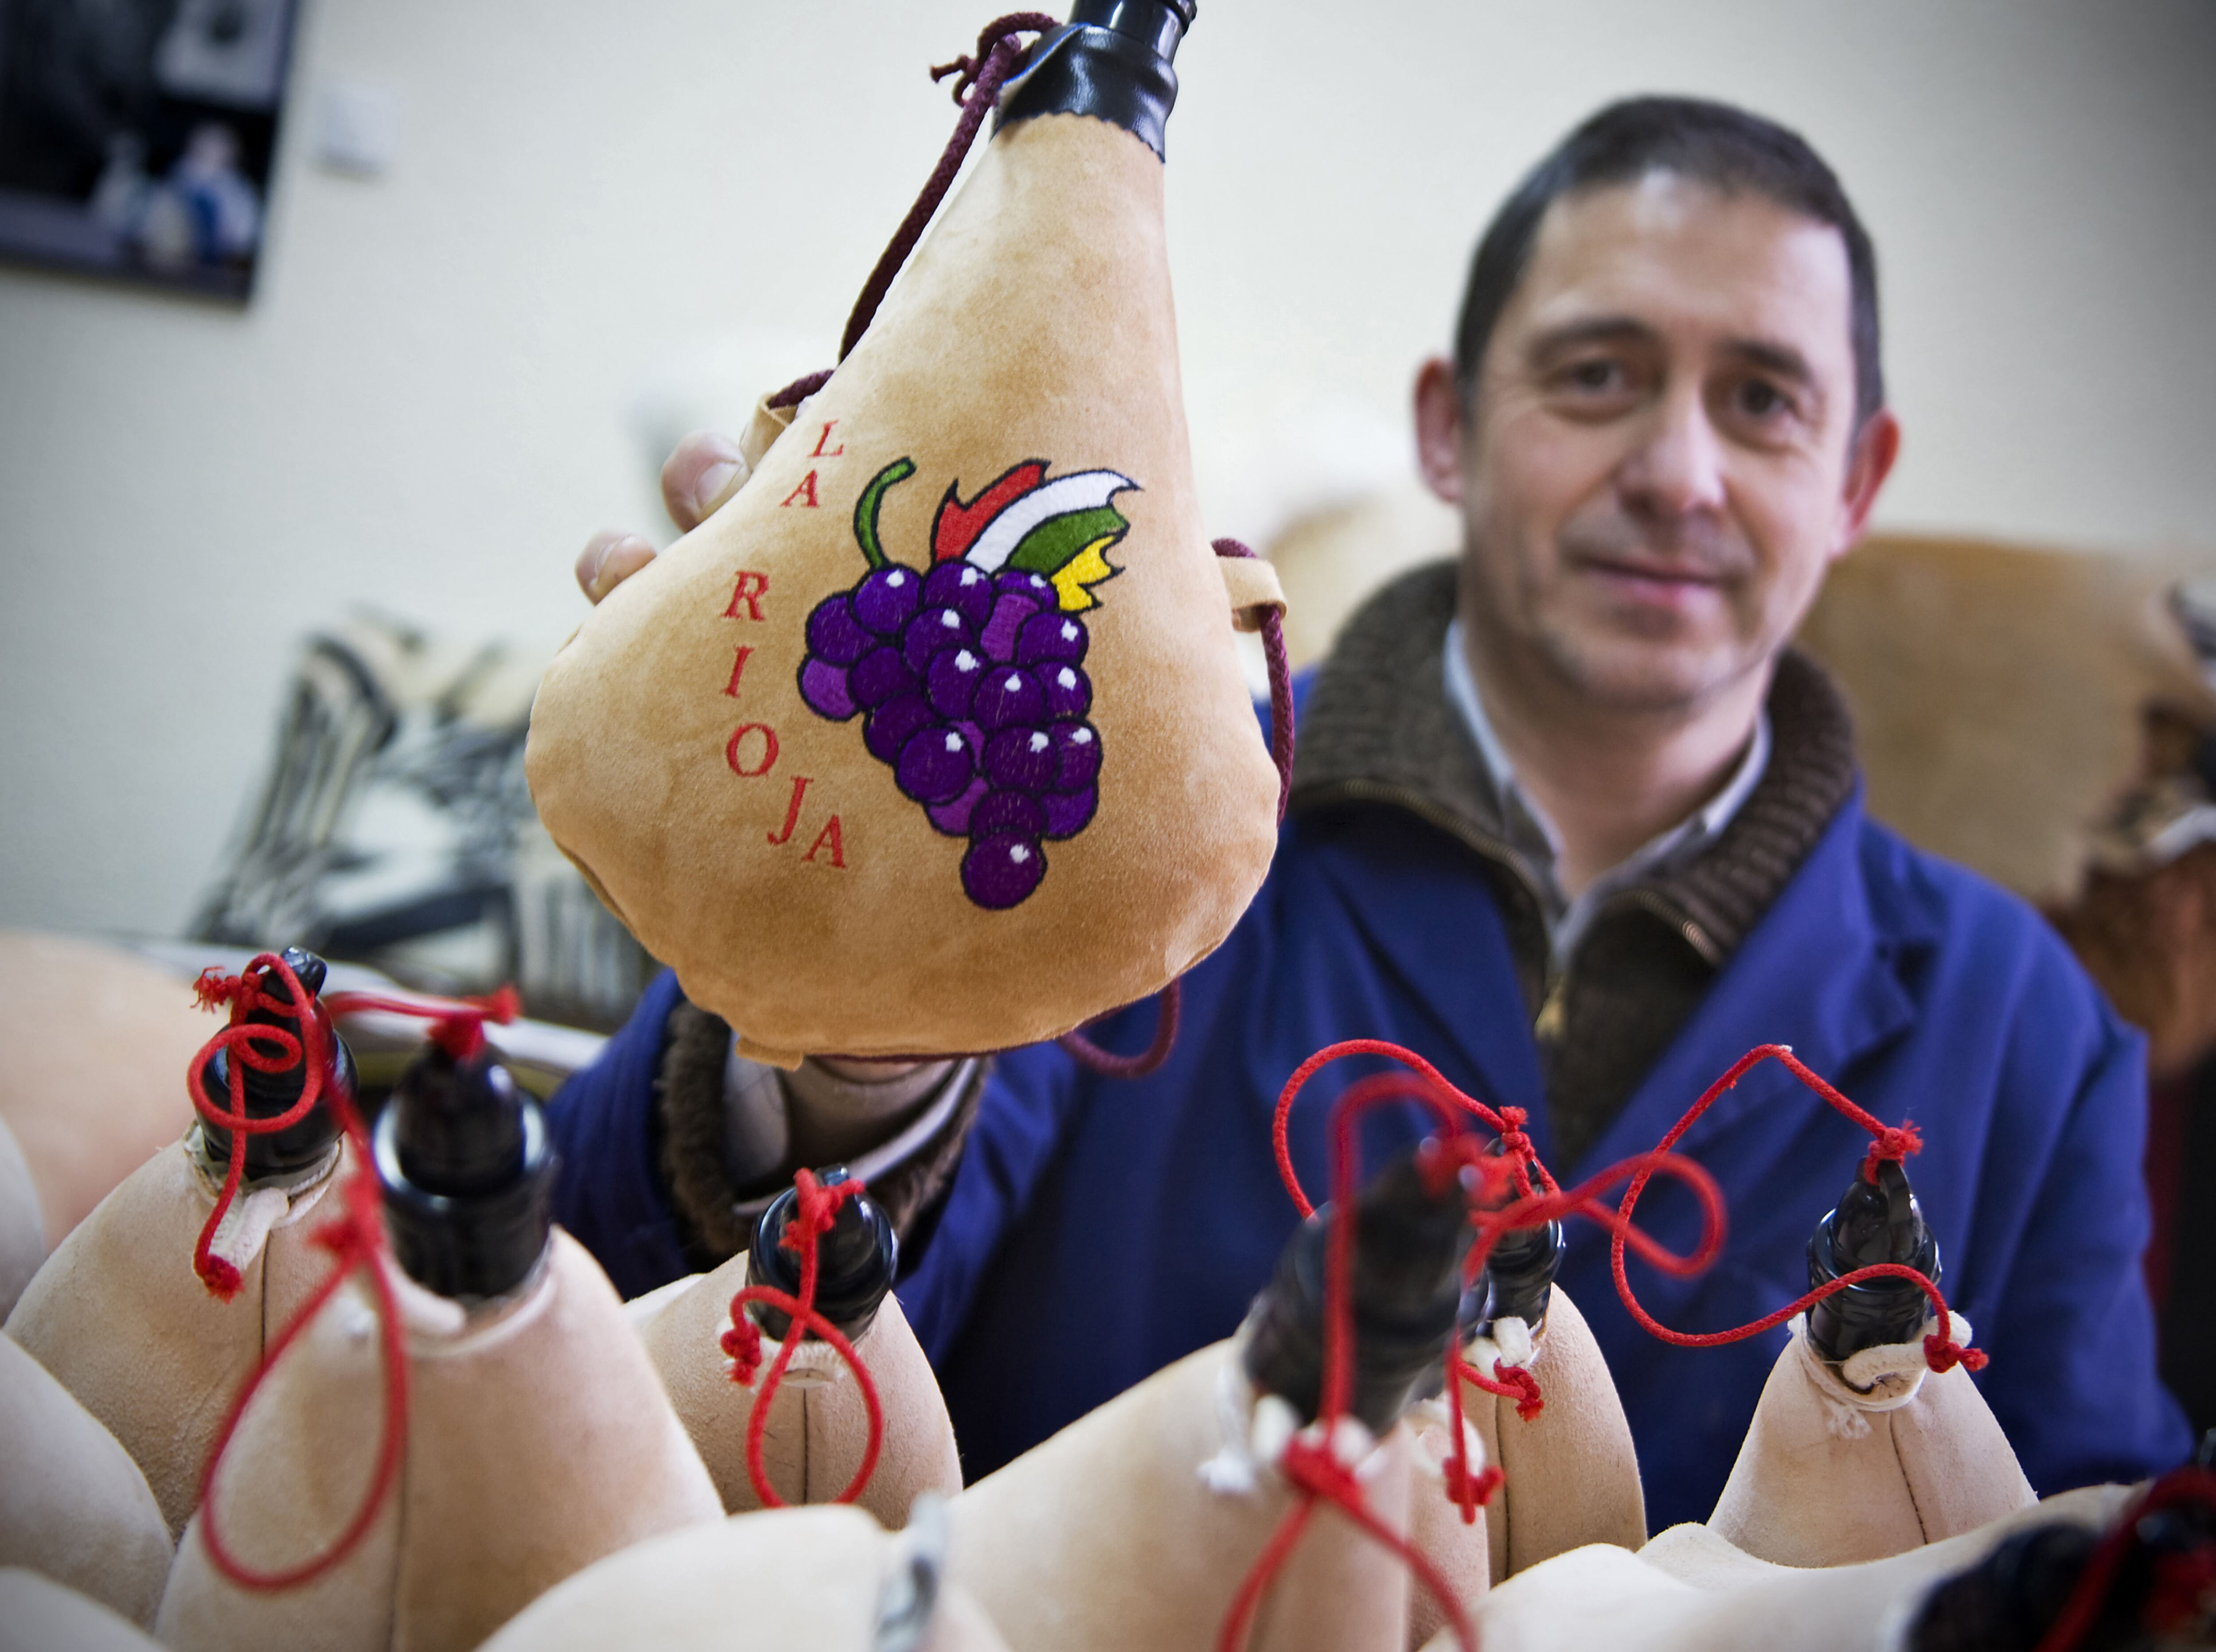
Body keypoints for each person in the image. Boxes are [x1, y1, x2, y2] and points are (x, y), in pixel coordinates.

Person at [545, 97, 2192, 1528]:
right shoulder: (1111, 799)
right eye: (1598, 373)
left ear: (1855, 481)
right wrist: (855, 1013)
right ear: (1447, 429)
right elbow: (667, 1314)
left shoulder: (2034, 1031)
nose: (1680, 473)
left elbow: (2084, 1553)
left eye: (1762, 398)